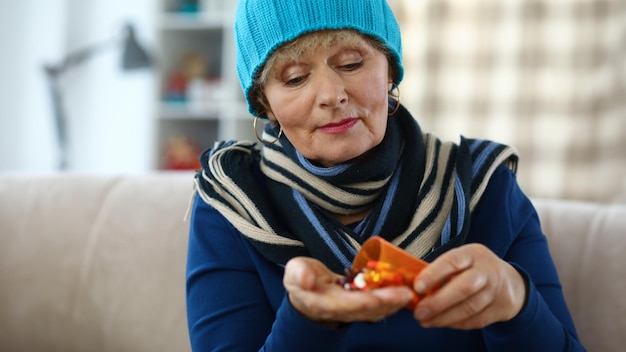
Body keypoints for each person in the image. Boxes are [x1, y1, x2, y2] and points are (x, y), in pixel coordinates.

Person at [185, 0, 585, 351]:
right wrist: (308, 320)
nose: (332, 95)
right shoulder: (232, 201)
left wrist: (517, 301)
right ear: (265, 105)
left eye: (351, 63)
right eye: (294, 78)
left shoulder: (483, 184)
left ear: (390, 70)